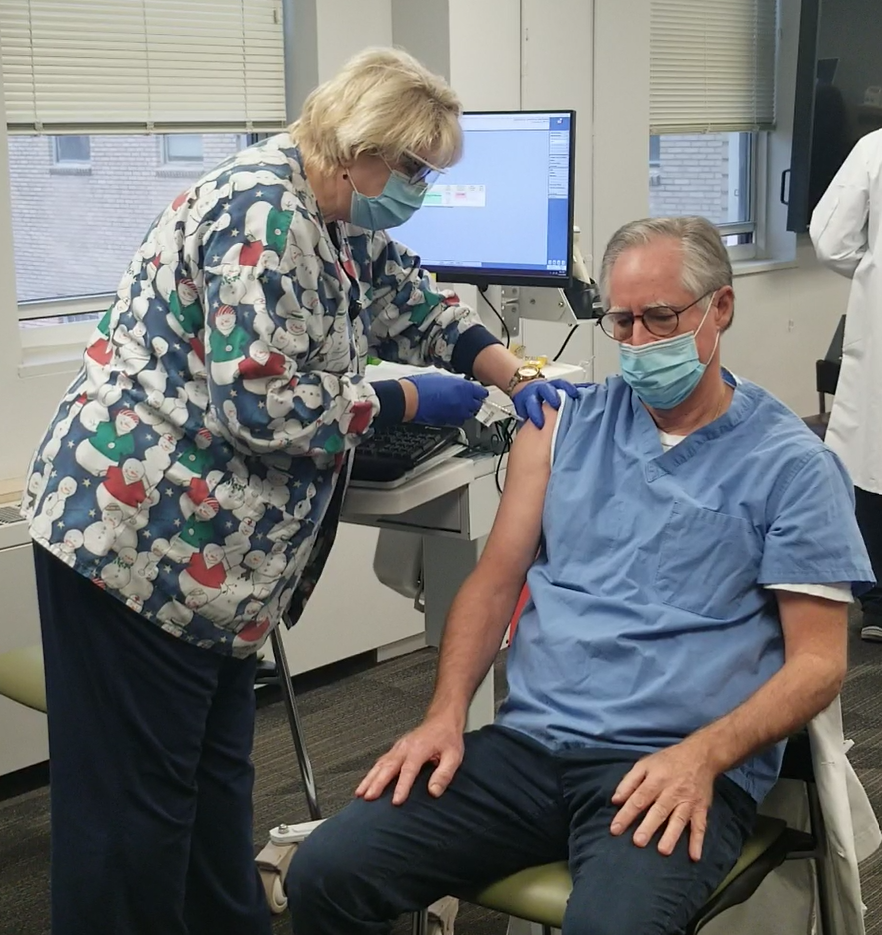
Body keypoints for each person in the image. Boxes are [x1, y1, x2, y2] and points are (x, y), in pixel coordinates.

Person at [20, 48, 574, 935]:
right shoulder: (263, 214)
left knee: (208, 784)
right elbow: (261, 408)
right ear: (359, 145)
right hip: (135, 545)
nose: (421, 188)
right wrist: (398, 396)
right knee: (135, 809)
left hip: (209, 567)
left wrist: (507, 369)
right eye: (414, 168)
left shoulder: (339, 210)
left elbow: (411, 298)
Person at [285, 216, 874, 935]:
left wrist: (705, 756)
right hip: (529, 747)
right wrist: (443, 715)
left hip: (672, 762)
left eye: (659, 318)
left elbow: (820, 661)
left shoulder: (791, 464)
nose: (636, 342)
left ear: (720, 308)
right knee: (326, 873)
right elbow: (495, 580)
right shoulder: (563, 422)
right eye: (619, 321)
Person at [811, 128, 882, 641]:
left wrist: (872, 271)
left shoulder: (876, 148)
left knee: (871, 461)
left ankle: (876, 603)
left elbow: (831, 240)